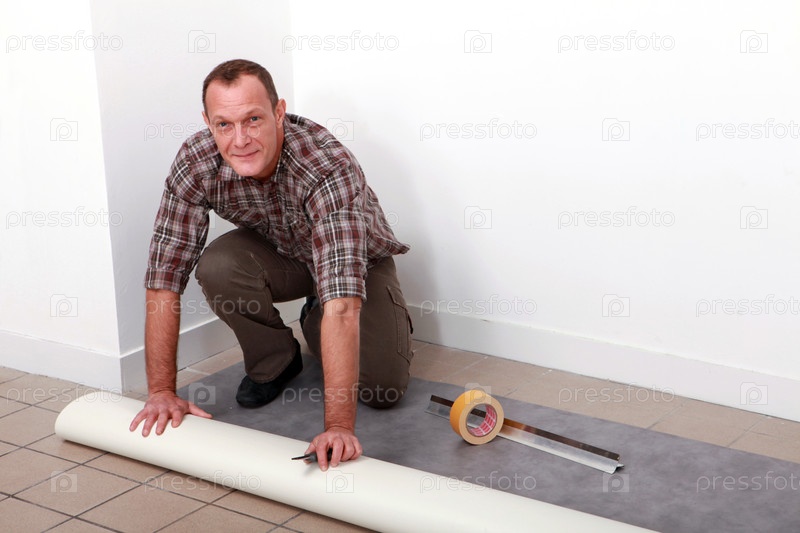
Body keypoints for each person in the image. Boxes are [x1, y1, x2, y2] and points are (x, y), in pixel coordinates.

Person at [129, 59, 413, 471]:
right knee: (219, 265)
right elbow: (164, 279)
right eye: (224, 124)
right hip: (283, 255)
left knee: (382, 388)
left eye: (253, 119)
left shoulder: (325, 163)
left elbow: (343, 304)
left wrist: (337, 427)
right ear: (207, 123)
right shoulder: (196, 161)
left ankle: (316, 316)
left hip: (356, 267)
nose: (240, 139)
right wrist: (161, 392)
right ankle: (276, 361)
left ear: (279, 112)